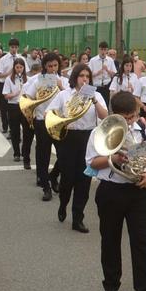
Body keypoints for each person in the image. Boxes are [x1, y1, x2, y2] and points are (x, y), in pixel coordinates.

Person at [86, 91, 146, 291]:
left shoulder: (143, 129)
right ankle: (111, 285)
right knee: (110, 239)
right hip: (111, 191)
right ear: (114, 114)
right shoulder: (100, 132)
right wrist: (112, 158)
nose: (129, 122)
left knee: (142, 241)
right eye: (125, 118)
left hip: (138, 191)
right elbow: (92, 163)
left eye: (132, 117)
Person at [47, 64, 108, 233]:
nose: (84, 79)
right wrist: (61, 119)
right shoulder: (64, 95)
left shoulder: (96, 95)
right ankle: (63, 203)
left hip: (88, 139)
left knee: (84, 180)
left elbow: (105, 116)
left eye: (87, 76)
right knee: (67, 179)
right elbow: (49, 113)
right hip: (68, 138)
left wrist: (94, 100)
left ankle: (78, 218)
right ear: (75, 77)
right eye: (81, 75)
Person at [26, 54, 68, 201]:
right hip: (41, 121)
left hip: (58, 122)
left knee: (64, 154)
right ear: (44, 66)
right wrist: (37, 99)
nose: (52, 69)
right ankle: (46, 187)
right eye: (49, 66)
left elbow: (69, 100)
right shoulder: (37, 80)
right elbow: (28, 98)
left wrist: (60, 86)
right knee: (43, 156)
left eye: (55, 65)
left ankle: (54, 175)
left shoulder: (64, 81)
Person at [1, 58, 30, 165]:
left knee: (27, 131)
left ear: (24, 68)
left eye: (21, 67)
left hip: (25, 106)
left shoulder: (28, 79)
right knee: (15, 131)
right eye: (17, 67)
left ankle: (24, 152)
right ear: (14, 68)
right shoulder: (9, 79)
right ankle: (16, 153)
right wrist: (14, 94)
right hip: (13, 106)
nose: (19, 70)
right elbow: (5, 95)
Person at [88, 41, 117, 106]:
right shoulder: (93, 60)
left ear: (107, 50)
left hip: (106, 87)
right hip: (96, 86)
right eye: (101, 49)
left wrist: (107, 70)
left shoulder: (110, 60)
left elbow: (114, 74)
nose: (103, 52)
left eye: (105, 50)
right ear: (99, 49)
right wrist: (98, 72)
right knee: (95, 104)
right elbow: (88, 74)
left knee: (105, 104)